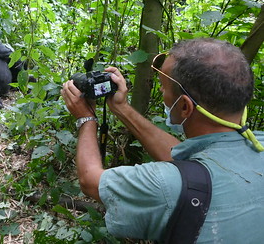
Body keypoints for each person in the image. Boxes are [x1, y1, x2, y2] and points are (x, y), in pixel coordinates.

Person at [61, 38, 264, 243]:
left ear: (185, 106)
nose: (160, 91)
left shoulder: (164, 187)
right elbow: (192, 168)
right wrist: (121, 108)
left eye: (163, 87)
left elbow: (91, 180)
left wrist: (86, 119)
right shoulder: (256, 145)